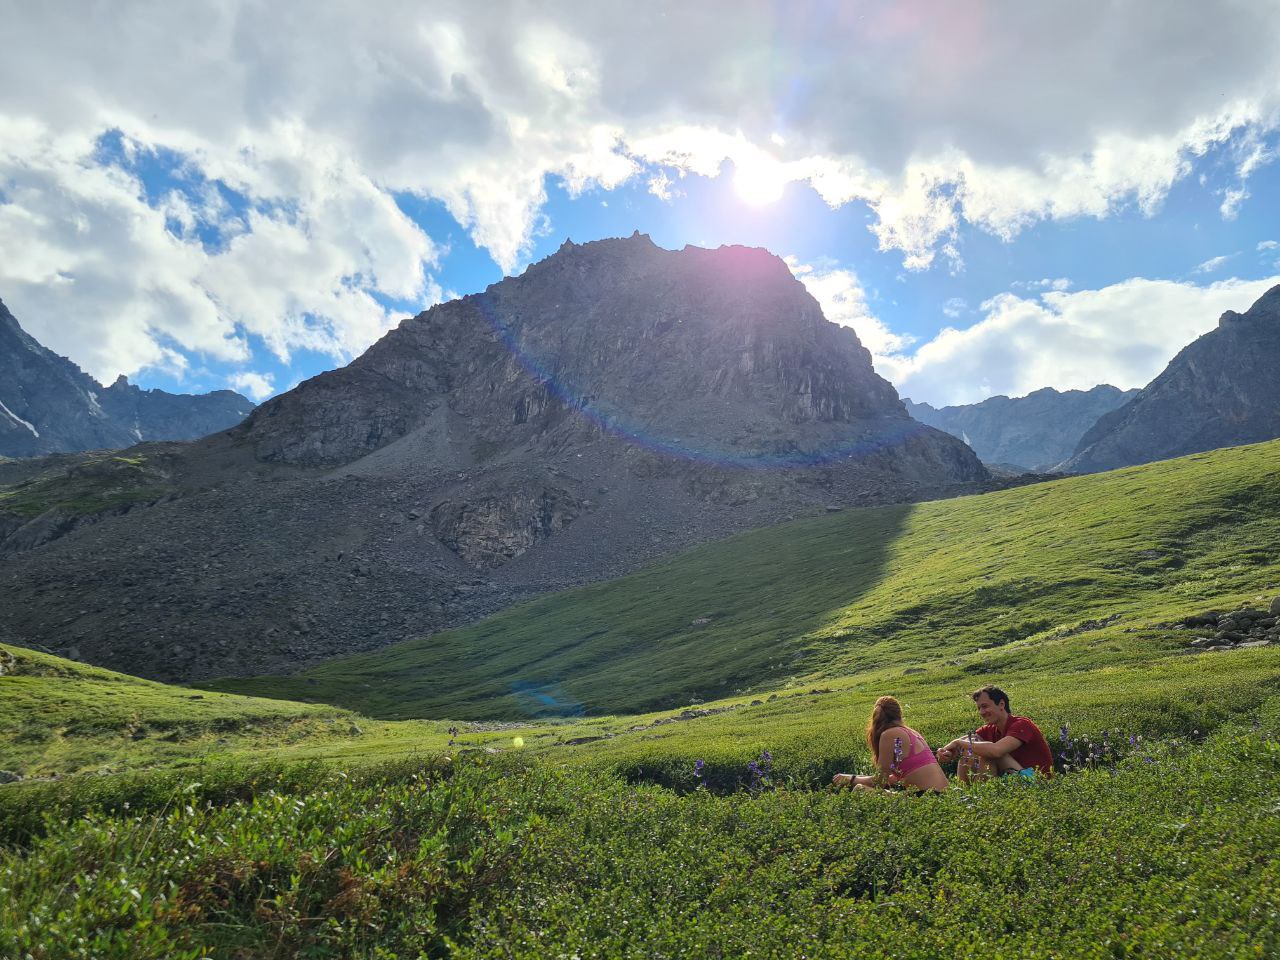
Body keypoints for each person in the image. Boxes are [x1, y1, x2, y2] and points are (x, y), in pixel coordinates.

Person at [832, 695, 948, 793]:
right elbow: (895, 777)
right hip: (944, 796)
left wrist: (850, 779)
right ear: (899, 714)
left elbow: (880, 782)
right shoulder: (911, 733)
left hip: (927, 798)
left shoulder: (889, 734)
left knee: (860, 789)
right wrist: (855, 777)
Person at [936, 686, 1054, 782]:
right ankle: (963, 792)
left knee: (989, 753)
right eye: (979, 708)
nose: (982, 712)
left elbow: (996, 751)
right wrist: (946, 752)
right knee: (970, 748)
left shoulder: (1021, 724)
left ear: (1001, 704)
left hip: (1037, 782)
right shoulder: (990, 729)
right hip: (1014, 778)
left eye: (985, 706)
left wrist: (958, 742)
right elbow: (968, 740)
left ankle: (978, 795)